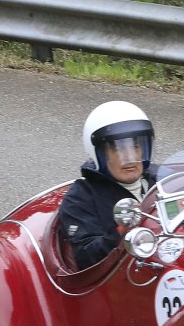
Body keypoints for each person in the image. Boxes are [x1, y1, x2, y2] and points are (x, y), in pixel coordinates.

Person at [57, 100, 157, 271]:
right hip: (123, 278)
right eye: (119, 149)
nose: (130, 158)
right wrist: (120, 230)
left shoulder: (162, 180)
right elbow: (86, 257)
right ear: (100, 154)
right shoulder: (81, 198)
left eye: (135, 146)